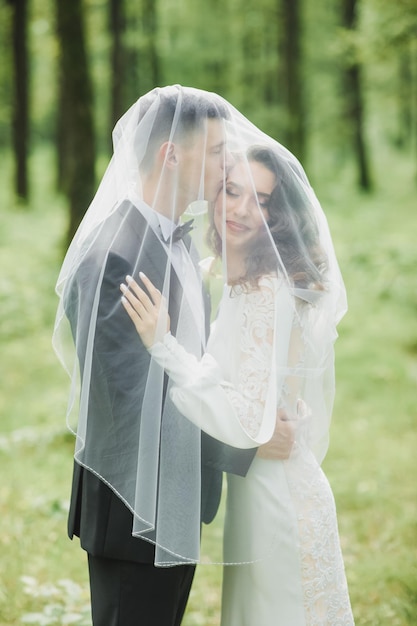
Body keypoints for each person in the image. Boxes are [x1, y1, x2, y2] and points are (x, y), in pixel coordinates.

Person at [53, 85, 292, 626]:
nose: (225, 165)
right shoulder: (115, 256)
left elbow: (192, 365)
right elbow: (132, 409)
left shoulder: (176, 243)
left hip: (175, 499)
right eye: (214, 152)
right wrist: (248, 442)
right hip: (133, 512)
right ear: (171, 155)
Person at [120, 135, 355, 623]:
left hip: (278, 502)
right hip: (259, 493)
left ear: (278, 216)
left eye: (261, 200)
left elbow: (248, 415)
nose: (242, 209)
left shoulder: (266, 290)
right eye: (231, 191)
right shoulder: (243, 277)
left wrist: (162, 344)